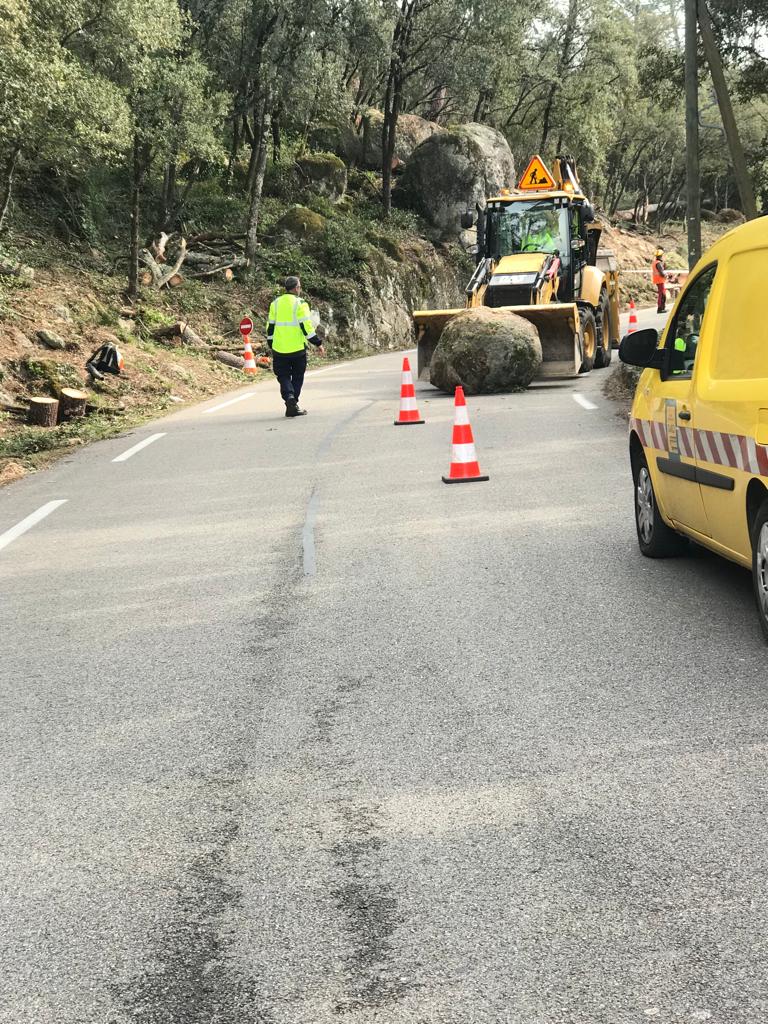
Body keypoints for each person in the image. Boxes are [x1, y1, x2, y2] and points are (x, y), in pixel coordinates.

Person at [266, 276, 325, 417]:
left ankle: (289, 398)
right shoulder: (300, 303)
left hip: (279, 348)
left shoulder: (275, 303)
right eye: (299, 286)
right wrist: (318, 343)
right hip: (297, 349)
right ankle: (293, 401)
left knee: (283, 375)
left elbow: (270, 326)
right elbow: (307, 327)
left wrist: (270, 342)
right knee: (298, 376)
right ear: (297, 288)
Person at [652, 248, 668, 314]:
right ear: (661, 256)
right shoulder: (658, 263)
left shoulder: (655, 262)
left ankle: (662, 308)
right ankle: (660, 309)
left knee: (663, 294)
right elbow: (661, 273)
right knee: (661, 295)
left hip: (658, 281)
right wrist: (666, 275)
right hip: (660, 280)